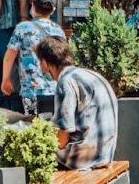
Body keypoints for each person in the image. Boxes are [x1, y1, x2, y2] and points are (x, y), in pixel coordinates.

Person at [39, 35, 119, 169]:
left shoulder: (65, 82)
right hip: (105, 154)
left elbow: (63, 137)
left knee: (31, 143)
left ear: (46, 62)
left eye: (40, 62)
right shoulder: (90, 74)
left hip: (83, 159)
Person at [1, 0, 65, 115]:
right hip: (54, 90)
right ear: (53, 10)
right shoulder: (59, 31)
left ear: (33, 7)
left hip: (31, 91)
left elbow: (9, 57)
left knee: (33, 127)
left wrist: (5, 79)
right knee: (52, 127)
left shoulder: (22, 28)